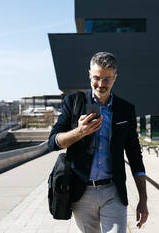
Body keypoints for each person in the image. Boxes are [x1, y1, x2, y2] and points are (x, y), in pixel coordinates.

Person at [48, 52, 148, 233]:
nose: (101, 84)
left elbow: (134, 154)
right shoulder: (73, 102)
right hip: (82, 192)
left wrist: (143, 199)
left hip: (113, 191)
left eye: (107, 79)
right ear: (89, 75)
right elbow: (53, 142)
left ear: (115, 78)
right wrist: (79, 132)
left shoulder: (125, 109)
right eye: (96, 78)